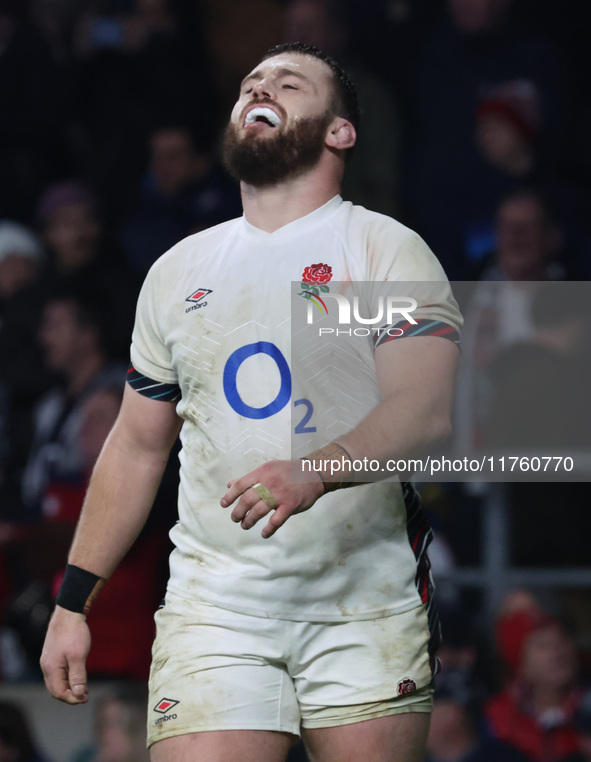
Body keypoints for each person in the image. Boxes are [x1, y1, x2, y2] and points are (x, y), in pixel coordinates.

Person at [40, 42, 462, 762]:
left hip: (362, 602)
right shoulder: (178, 271)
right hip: (216, 609)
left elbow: (423, 411)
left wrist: (314, 470)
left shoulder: (383, 249)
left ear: (339, 131)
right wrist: (73, 601)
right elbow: (138, 447)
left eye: (288, 82)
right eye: (249, 83)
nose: (259, 87)